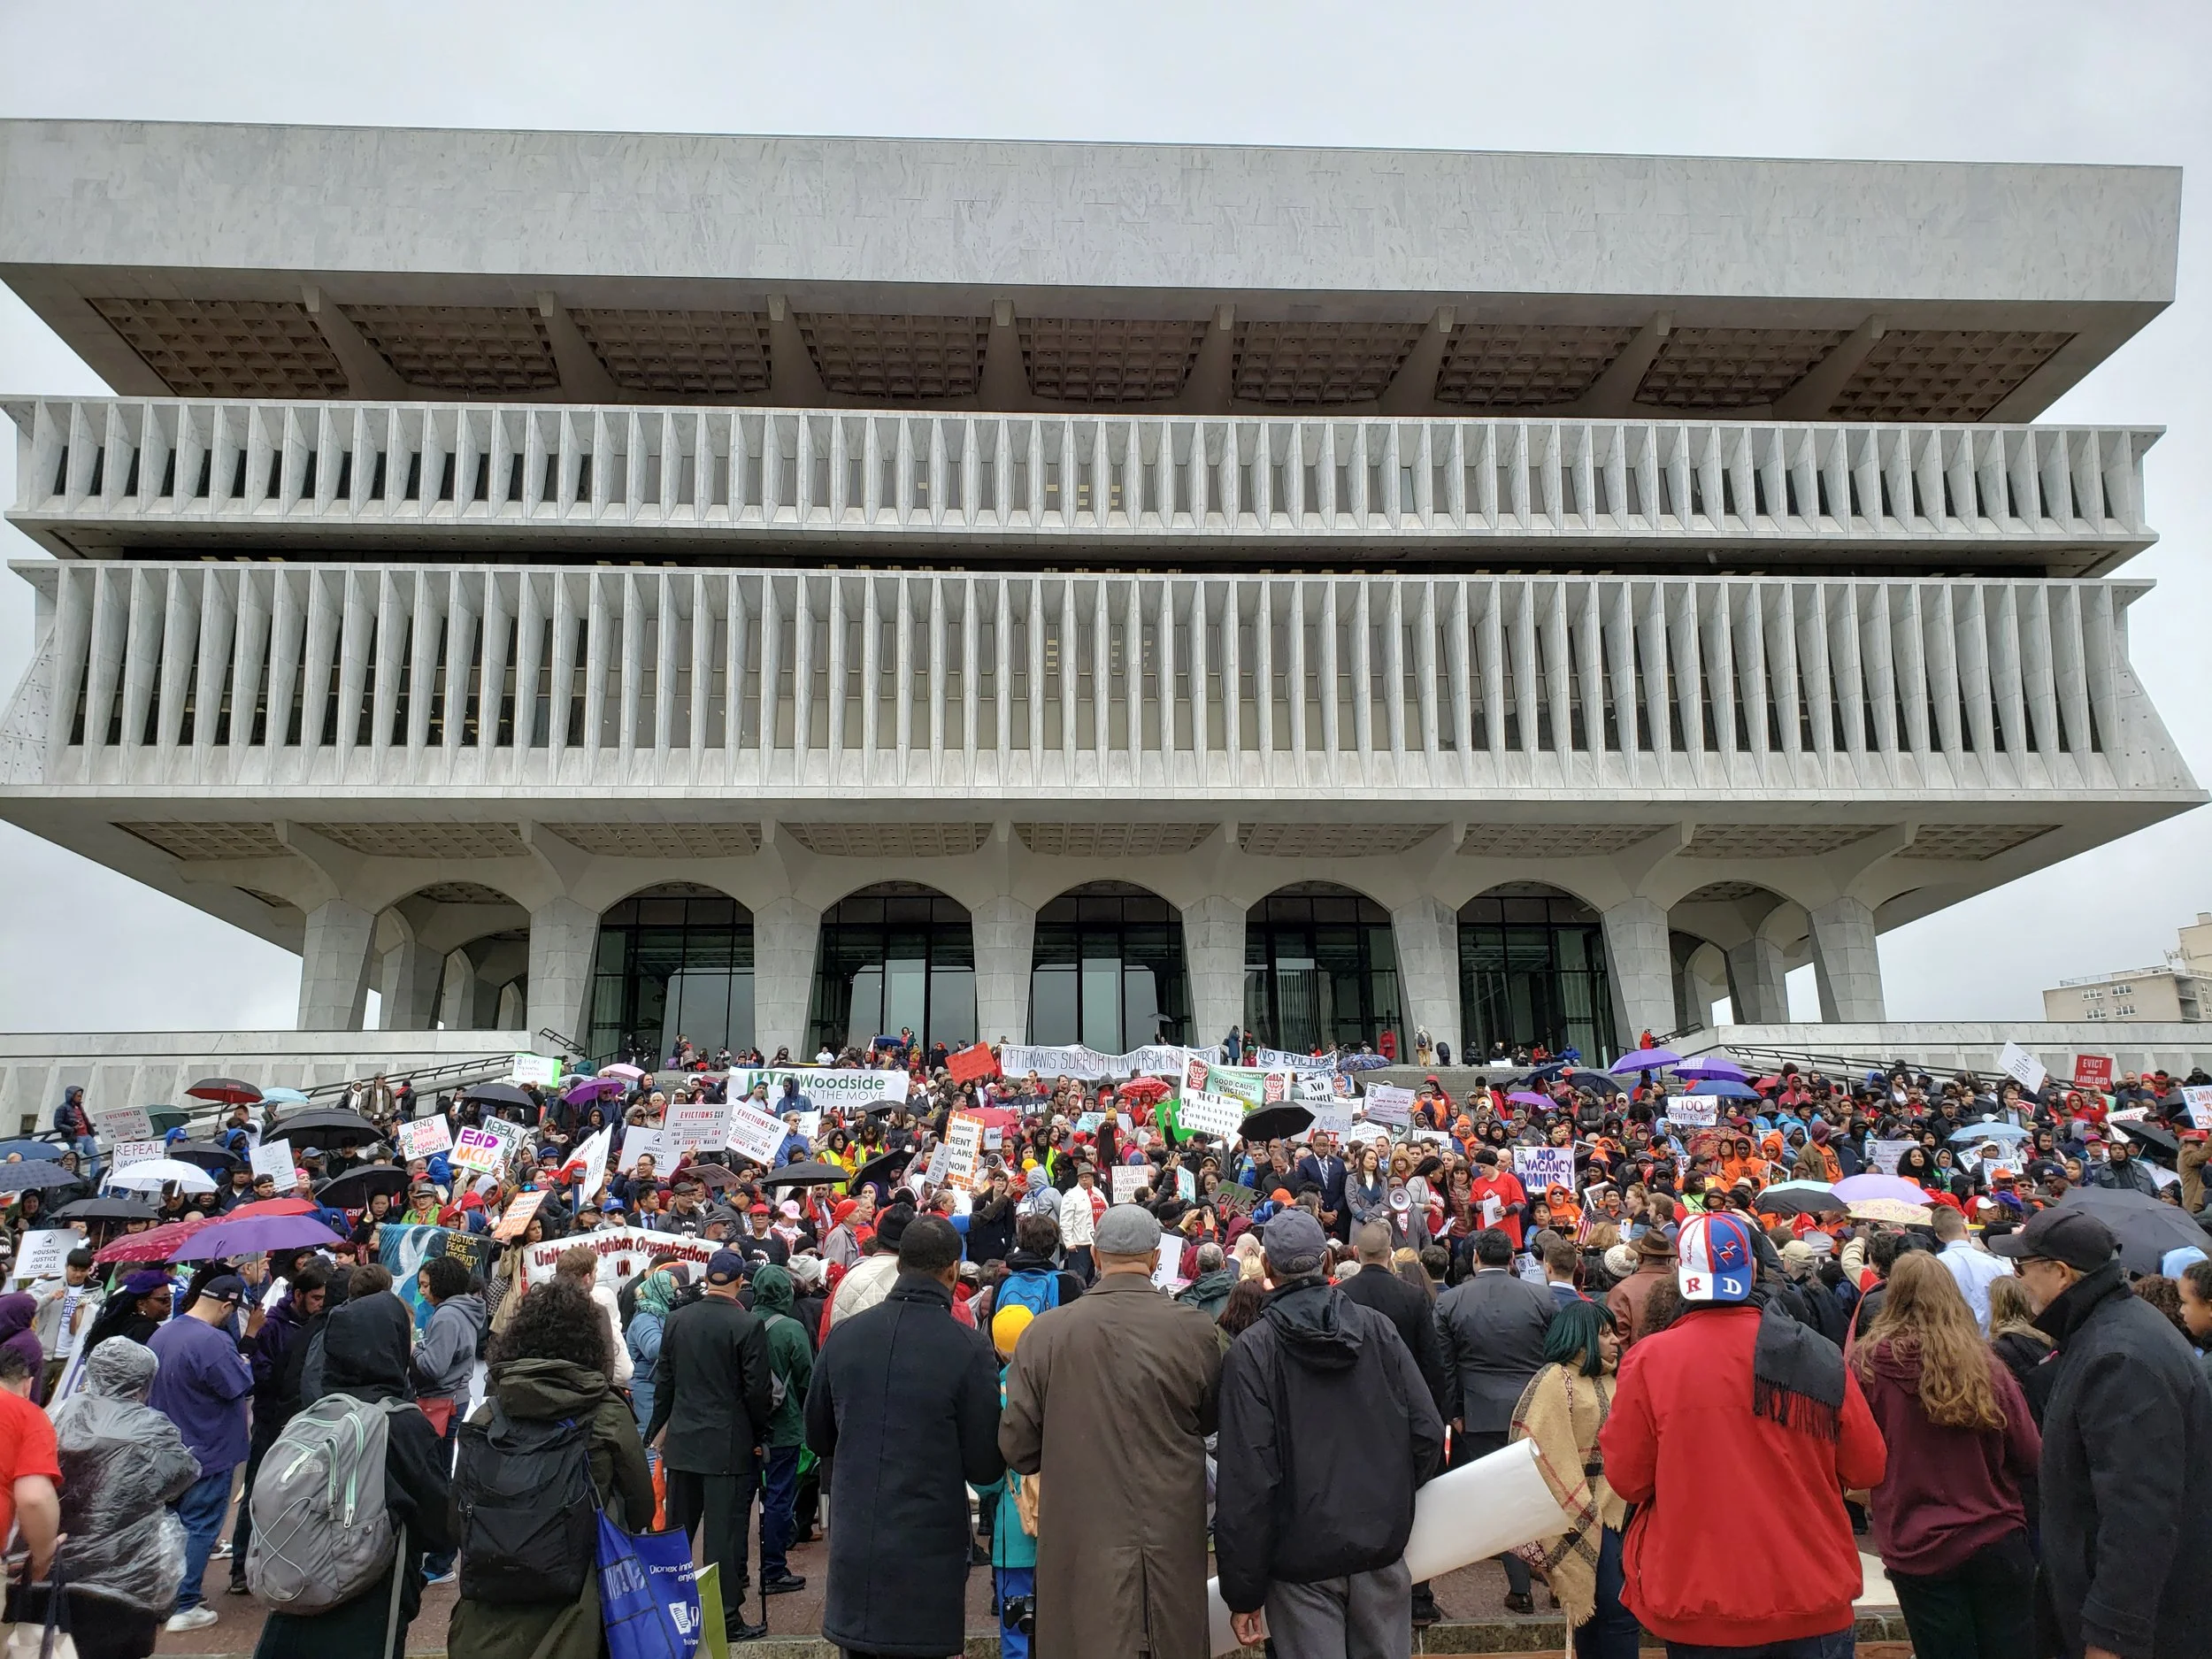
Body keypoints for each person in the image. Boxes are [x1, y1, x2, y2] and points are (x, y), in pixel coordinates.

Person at [1600, 1211, 1886, 1658]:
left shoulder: (1649, 1360)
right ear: (1752, 1270)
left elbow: (1628, 1480)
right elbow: (1867, 1466)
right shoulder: (1816, 1351)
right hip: (1812, 1591)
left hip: (1701, 1599)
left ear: (1683, 1278)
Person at [1215, 1210, 1445, 1659]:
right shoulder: (1376, 1329)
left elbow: (1248, 1478)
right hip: (1371, 1546)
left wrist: (1243, 1591)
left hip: (1302, 1556)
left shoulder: (1254, 1349)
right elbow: (1426, 1431)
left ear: (1267, 1267)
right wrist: (1388, 1499)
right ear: (1326, 1261)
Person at [1001, 1204, 1223, 1659]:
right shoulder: (1194, 1330)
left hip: (1082, 1544)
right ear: (1155, 1259)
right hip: (1169, 1538)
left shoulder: (1045, 1333)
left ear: (1096, 1256)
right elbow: (1211, 1422)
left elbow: (1018, 1446)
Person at [1989, 1206, 2212, 1659]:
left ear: (2061, 1273)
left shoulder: (2119, 1356)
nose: (2018, 1279)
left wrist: (2111, 1637)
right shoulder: (2106, 1330)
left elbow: (2139, 1513)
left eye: (2022, 1266)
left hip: (2143, 1627)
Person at [806, 1214, 1005, 1659]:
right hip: (927, 1548)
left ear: (899, 1264)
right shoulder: (968, 1347)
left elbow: (817, 1434)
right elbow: (985, 1464)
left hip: (856, 1538)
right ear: (952, 1270)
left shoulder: (845, 1336)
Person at [445, 1279, 655, 1659]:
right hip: (580, 1610)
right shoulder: (607, 1413)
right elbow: (641, 1509)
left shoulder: (487, 1414)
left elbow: (457, 1515)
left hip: (489, 1613)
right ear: (592, 1344)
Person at [1850, 1254, 2039, 1659]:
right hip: (1994, 1531)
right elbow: (2029, 1452)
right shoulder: (1986, 1364)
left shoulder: (1864, 1368)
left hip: (1914, 1541)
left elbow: (1852, 1456)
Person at [252, 1285, 453, 1659]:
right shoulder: (401, 1423)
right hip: (369, 1601)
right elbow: (439, 1523)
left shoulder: (313, 1414)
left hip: (295, 1589)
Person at [33, 1337, 197, 1659]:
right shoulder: (152, 1428)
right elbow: (182, 1476)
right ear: (144, 1382)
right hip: (126, 1570)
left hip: (53, 1561)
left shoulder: (58, 1415)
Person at [643, 1248, 774, 1645]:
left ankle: (672, 1612)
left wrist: (656, 1432)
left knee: (679, 1534)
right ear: (739, 1282)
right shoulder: (747, 1324)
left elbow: (665, 1382)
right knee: (723, 1537)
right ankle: (726, 1617)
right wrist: (760, 1435)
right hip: (727, 1445)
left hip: (684, 1441)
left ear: (706, 1279)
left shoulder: (677, 1319)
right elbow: (757, 1391)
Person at [1433, 1226, 1555, 1613]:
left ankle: (1521, 1589)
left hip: (1480, 1412)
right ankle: (1557, 1582)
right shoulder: (1541, 1297)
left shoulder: (1451, 1301)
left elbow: (1444, 1366)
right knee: (1545, 1494)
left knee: (1502, 1501)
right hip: (1534, 1408)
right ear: (1512, 1259)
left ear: (1475, 1258)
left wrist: (1455, 1413)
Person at [1509, 1301, 1636, 1659]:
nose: (1615, 1341)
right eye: (1605, 1334)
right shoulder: (1555, 1379)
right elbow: (1540, 1449)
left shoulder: (1616, 1378)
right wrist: (1581, 1505)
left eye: (1614, 1333)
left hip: (1620, 1510)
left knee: (1604, 1612)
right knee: (1615, 1610)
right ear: (1581, 1338)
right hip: (1579, 1510)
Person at [148, 1273, 259, 1633]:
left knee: (172, 1528)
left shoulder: (163, 1333)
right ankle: (185, 1603)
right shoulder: (212, 1341)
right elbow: (239, 1385)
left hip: (168, 1449)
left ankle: (167, 1597)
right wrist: (246, 1353)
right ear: (227, 1306)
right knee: (199, 1527)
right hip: (207, 1449)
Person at [227, 1262, 331, 1594]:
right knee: (257, 1491)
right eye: (315, 1298)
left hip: (305, 1420)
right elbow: (260, 1373)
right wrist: (287, 1376)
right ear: (298, 1295)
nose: (320, 1304)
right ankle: (240, 1565)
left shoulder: (322, 1324)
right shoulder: (272, 1325)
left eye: (324, 1298)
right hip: (272, 1419)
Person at [409, 1254, 484, 1586]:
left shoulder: (447, 1316)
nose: (422, 1291)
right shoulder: (463, 1310)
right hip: (455, 1398)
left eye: (426, 1285)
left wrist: (414, 1349)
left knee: (438, 1481)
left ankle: (441, 1559)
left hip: (443, 1402)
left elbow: (434, 1367)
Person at [747, 1263, 813, 1597]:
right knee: (778, 1498)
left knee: (741, 1501)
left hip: (744, 1426)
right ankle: (773, 1570)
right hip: (783, 1425)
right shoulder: (790, 1329)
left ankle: (737, 1572)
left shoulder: (742, 1322)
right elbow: (806, 1378)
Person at [1930, 1203, 2012, 1333]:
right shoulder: (1998, 1265)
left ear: (1938, 1236)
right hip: (1992, 1340)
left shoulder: (1933, 1267)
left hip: (1950, 1339)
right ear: (1964, 1228)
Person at [31, 1246, 100, 1399]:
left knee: (62, 1400)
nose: (78, 1274)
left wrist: (89, 1309)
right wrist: (49, 1297)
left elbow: (100, 1319)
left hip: (73, 1357)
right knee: (36, 1397)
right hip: (45, 1354)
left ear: (89, 1270)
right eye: (74, 1269)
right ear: (66, 1266)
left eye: (83, 1270)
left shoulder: (95, 1290)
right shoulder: (49, 1285)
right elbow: (30, 1306)